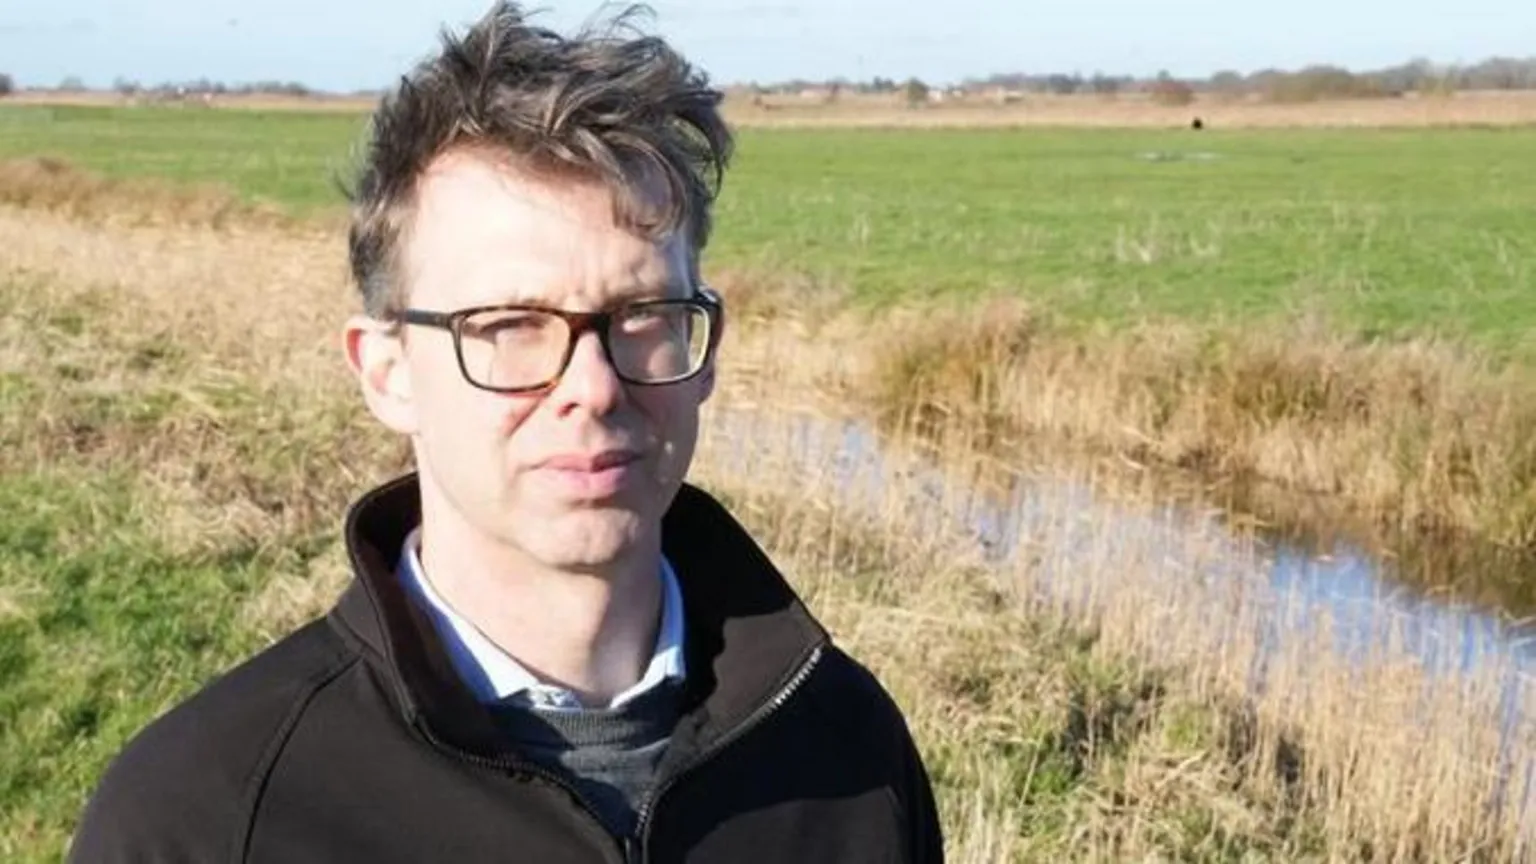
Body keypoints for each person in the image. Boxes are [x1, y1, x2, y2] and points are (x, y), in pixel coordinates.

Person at [67, 3, 945, 862]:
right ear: (388, 371)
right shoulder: (211, 814)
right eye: (509, 324)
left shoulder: (847, 747)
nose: (594, 388)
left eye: (643, 314)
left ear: (705, 347)